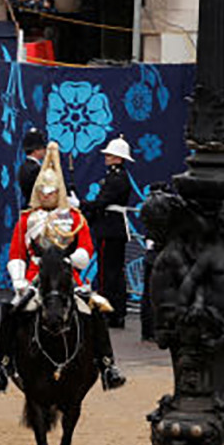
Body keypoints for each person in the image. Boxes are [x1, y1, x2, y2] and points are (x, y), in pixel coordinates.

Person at [0, 143, 125, 394]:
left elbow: (86, 249)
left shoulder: (75, 218)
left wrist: (71, 261)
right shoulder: (27, 219)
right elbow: (16, 253)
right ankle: (1, 368)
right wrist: (18, 279)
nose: (47, 195)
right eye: (43, 191)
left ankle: (107, 365)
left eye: (51, 191)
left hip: (68, 276)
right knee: (12, 311)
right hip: (35, 277)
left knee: (95, 310)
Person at [90, 137, 134, 323]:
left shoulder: (116, 178)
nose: (106, 157)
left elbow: (102, 202)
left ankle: (108, 311)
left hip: (110, 228)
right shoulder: (116, 176)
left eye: (110, 154)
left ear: (118, 158)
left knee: (107, 273)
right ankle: (117, 311)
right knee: (114, 272)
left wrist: (81, 205)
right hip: (113, 227)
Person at [14, 128, 47, 204]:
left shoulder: (23, 167)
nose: (45, 151)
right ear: (36, 150)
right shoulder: (35, 169)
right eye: (43, 148)